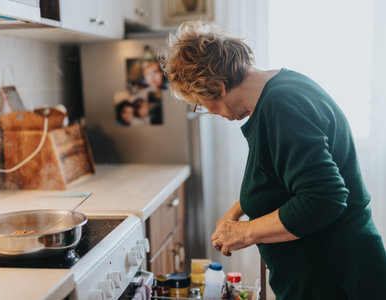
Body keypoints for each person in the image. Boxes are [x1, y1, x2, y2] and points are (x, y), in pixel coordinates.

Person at [159, 20, 386, 300]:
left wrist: (245, 233)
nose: (211, 111)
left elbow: (324, 198)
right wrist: (236, 211)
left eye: (203, 104)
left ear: (218, 87)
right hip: (324, 272)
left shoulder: (281, 106)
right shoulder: (281, 88)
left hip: (334, 277)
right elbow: (280, 175)